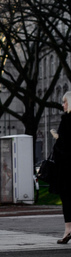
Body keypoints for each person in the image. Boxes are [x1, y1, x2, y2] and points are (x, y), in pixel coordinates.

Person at [51, 91, 71, 244]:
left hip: (67, 168)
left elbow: (63, 146)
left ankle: (68, 230)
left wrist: (57, 138)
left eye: (64, 102)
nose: (63, 105)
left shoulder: (66, 120)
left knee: (67, 198)